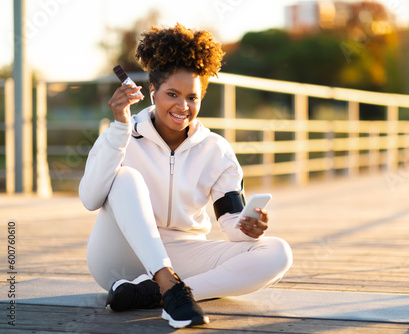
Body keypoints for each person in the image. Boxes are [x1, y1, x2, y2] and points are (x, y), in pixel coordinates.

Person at [79, 23, 293, 329]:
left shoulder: (216, 150)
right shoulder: (120, 134)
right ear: (152, 91)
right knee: (126, 178)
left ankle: (162, 293)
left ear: (202, 96)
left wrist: (249, 227)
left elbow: (231, 223)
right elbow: (89, 199)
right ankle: (170, 288)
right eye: (172, 94)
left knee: (277, 252)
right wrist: (120, 128)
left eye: (192, 97)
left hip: (182, 252)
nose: (182, 106)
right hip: (118, 255)